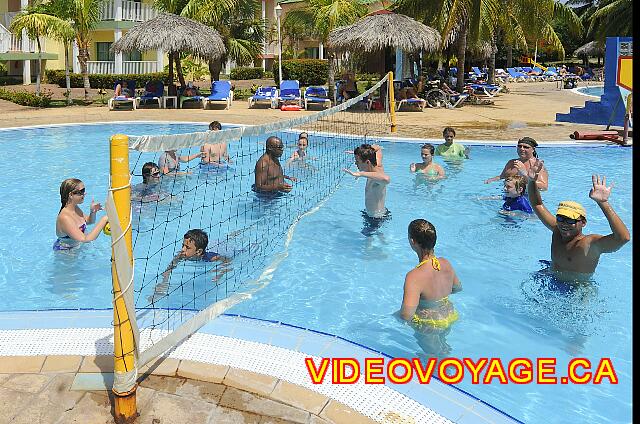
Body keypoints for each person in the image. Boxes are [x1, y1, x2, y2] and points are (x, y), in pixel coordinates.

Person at [521, 160, 630, 277]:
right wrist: (532, 181)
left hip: (576, 288)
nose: (564, 224)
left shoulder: (588, 245)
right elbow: (538, 205)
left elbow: (623, 238)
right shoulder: (557, 229)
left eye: (570, 220)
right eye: (560, 218)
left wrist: (603, 203)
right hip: (551, 275)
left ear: (583, 223)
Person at [399, 219, 462, 328]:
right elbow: (457, 288)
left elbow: (406, 316)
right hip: (449, 315)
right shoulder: (445, 263)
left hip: (428, 323)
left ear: (412, 241)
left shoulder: (414, 277)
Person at [151, 229, 232, 301]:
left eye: (187, 247)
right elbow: (169, 269)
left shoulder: (211, 258)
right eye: (183, 245)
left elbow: (228, 260)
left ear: (199, 252)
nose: (183, 249)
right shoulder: (181, 255)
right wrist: (163, 283)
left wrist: (220, 273)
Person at [343, 144, 391, 236]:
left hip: (375, 219)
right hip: (374, 214)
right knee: (378, 239)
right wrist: (361, 152)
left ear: (368, 162)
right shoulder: (377, 164)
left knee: (367, 245)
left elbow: (387, 179)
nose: (355, 163)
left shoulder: (377, 178)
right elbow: (378, 147)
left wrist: (361, 174)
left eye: (358, 161)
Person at [54, 178, 108, 251]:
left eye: (84, 190)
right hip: (67, 255)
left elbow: (89, 221)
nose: (84, 193)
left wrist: (93, 212)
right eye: (81, 191)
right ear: (71, 195)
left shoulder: (75, 208)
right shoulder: (65, 218)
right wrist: (104, 219)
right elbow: (85, 239)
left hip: (77, 248)